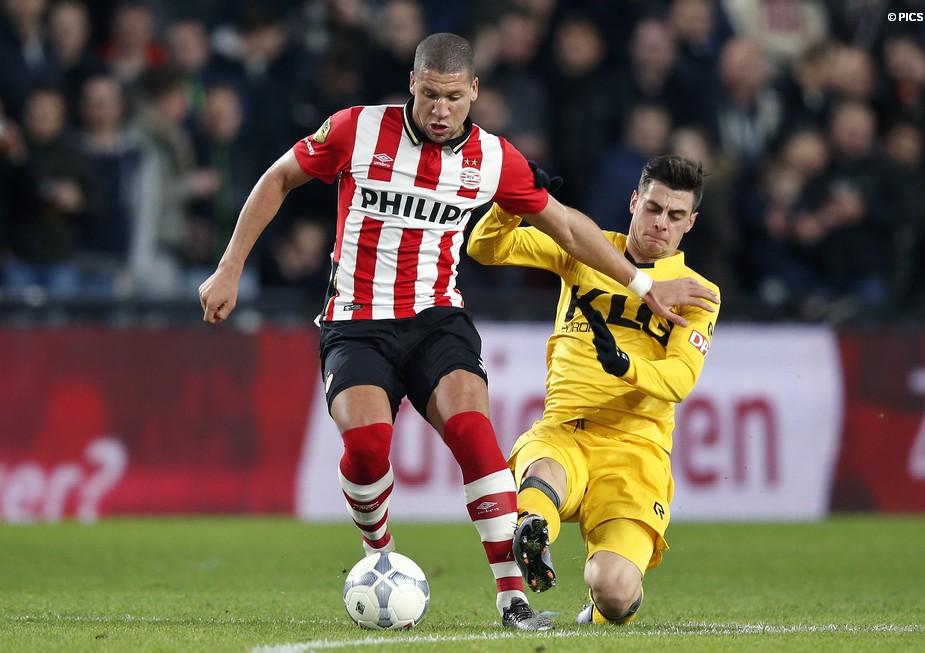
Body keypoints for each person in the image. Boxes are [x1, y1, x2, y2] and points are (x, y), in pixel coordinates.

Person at [198, 33, 718, 630]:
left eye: (452, 97)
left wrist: (644, 285)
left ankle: (513, 599)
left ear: (473, 91)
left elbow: (571, 229)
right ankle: (380, 553)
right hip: (357, 322)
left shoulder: (494, 157)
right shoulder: (356, 129)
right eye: (428, 95)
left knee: (475, 436)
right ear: (411, 85)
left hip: (436, 320)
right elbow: (278, 178)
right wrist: (230, 267)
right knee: (366, 451)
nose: (440, 110)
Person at [467, 155, 720, 625]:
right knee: (543, 470)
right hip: (565, 429)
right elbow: (485, 248)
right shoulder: (587, 248)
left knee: (614, 591)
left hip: (635, 449)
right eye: (653, 208)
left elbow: (679, 381)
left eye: (675, 215)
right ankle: (532, 531)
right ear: (634, 202)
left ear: (691, 222)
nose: (661, 223)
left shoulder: (697, 292)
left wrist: (623, 364)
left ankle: (605, 605)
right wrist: (511, 204)